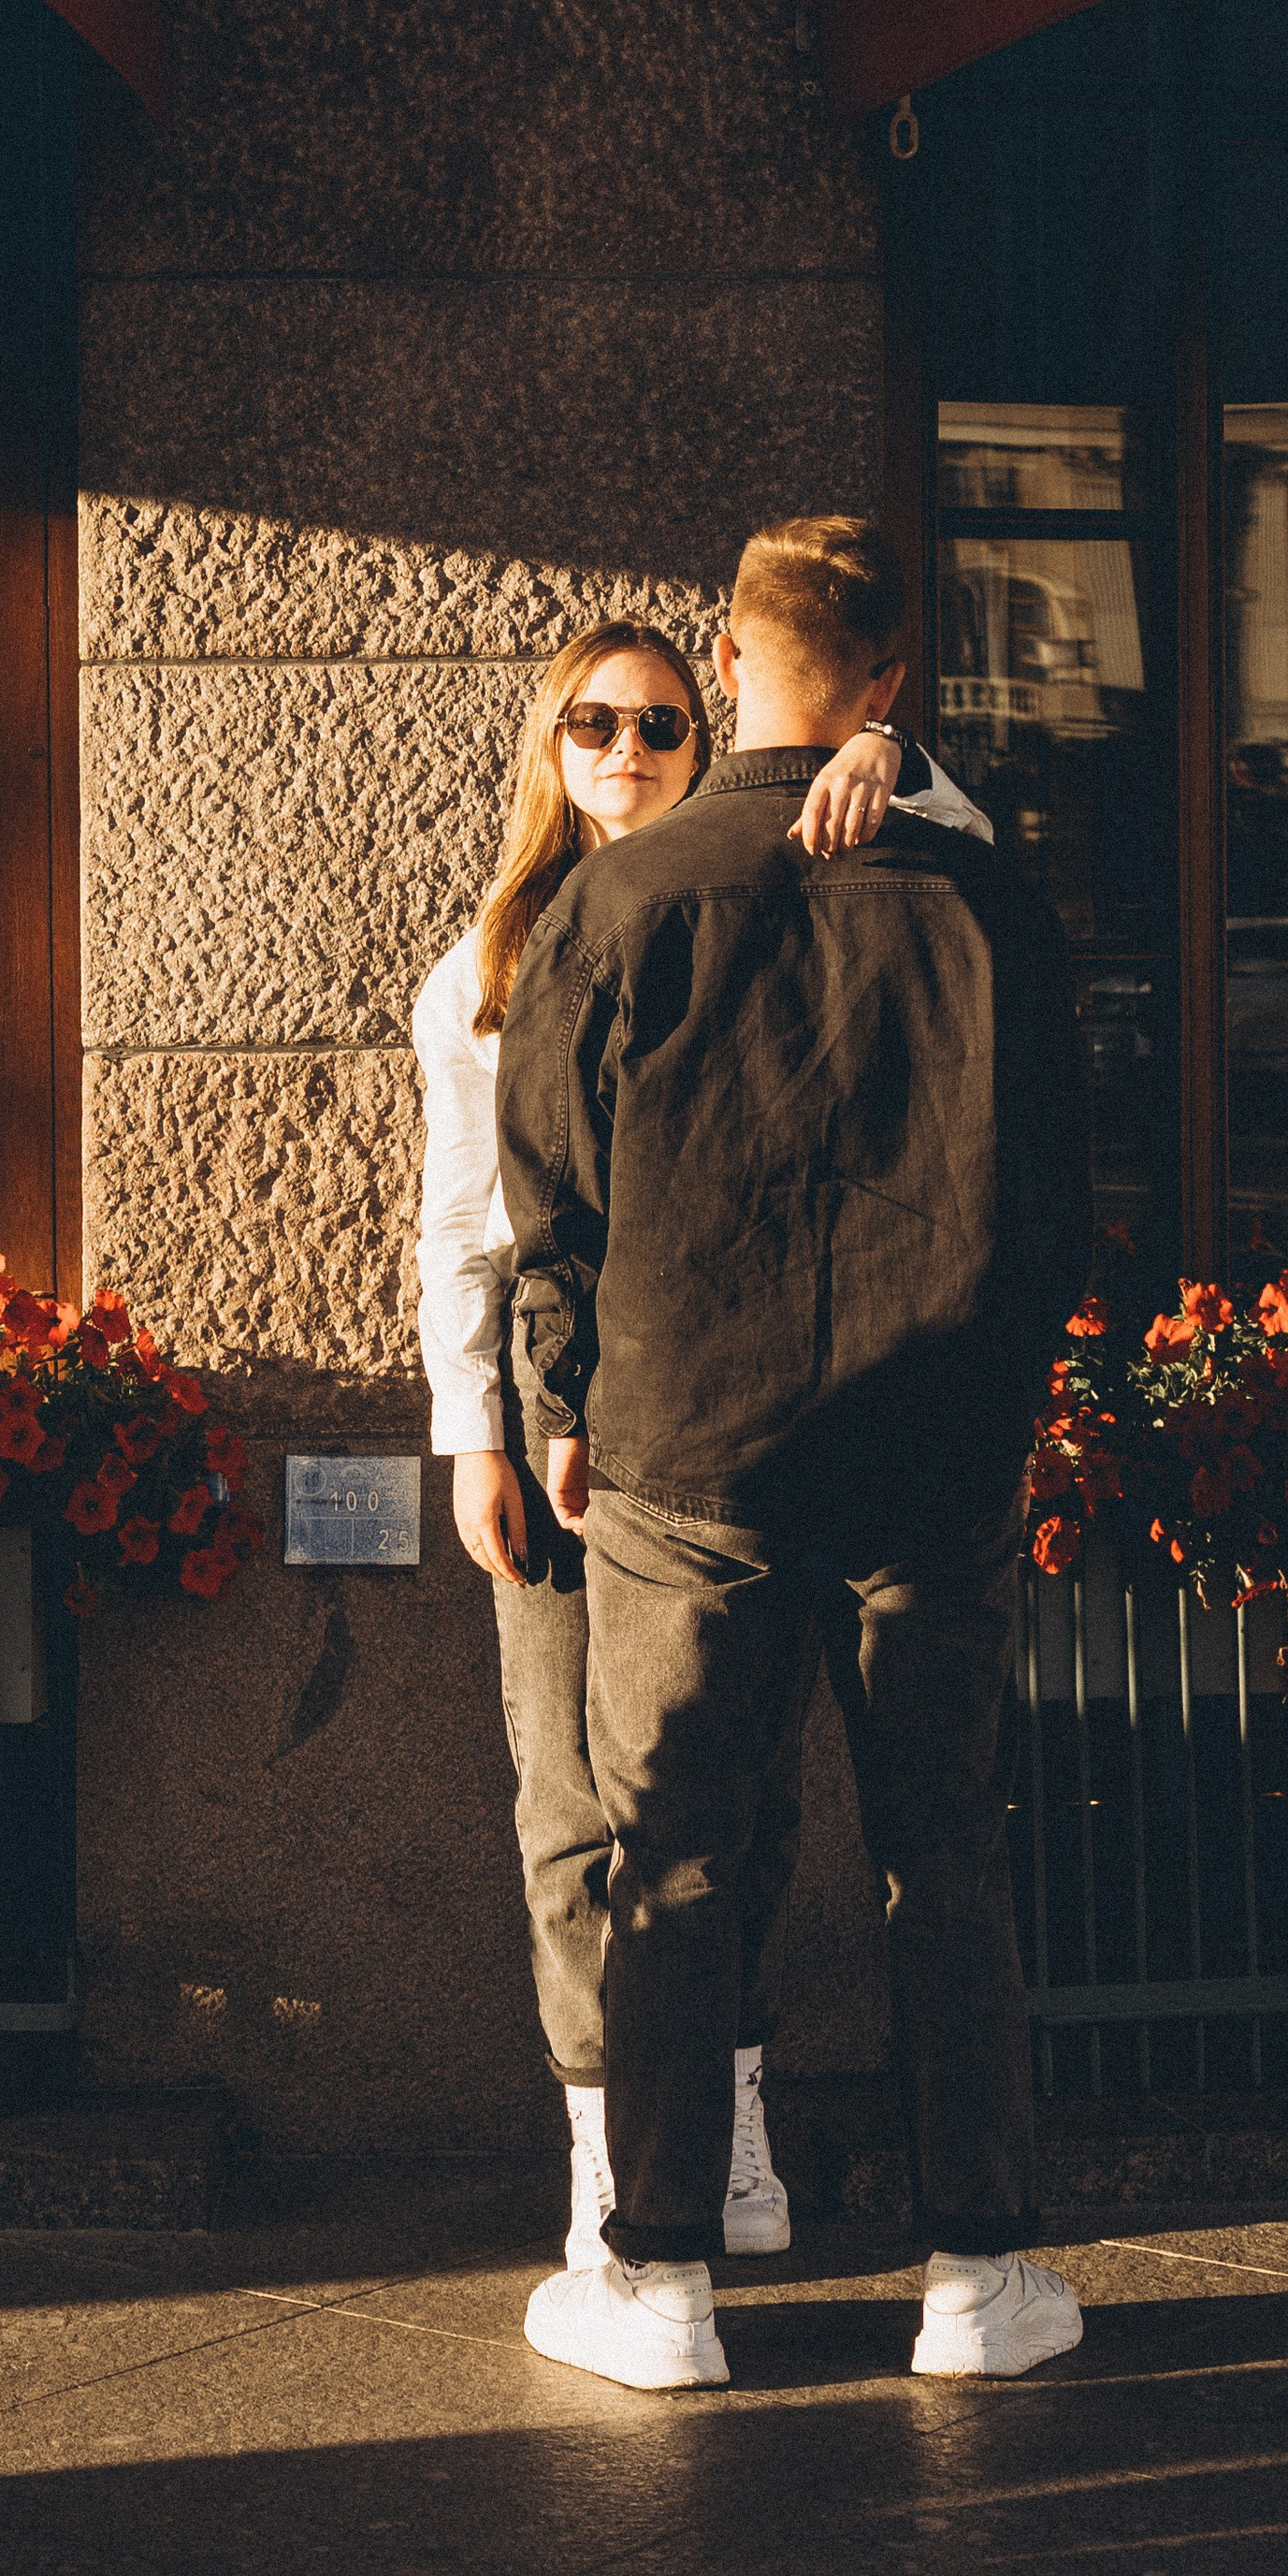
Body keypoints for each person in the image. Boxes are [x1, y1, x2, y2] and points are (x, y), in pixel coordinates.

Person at [495, 521, 1092, 2392]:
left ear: (732, 661)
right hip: (926, 1452)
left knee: (669, 1858)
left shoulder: (631, 893)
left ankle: (658, 2285)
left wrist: (560, 1401)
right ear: (892, 686)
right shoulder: (979, 901)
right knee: (943, 1855)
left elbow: (547, 1196)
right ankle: (974, 2277)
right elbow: (1064, 1201)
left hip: (691, 1457)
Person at [413, 613, 991, 2274]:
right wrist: (481, 1437)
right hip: (556, 1420)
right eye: (591, 723)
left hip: (730, 1422)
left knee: (737, 1795)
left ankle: (724, 2147)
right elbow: (467, 1225)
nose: (625, 752)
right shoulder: (498, 962)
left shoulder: (780, 887)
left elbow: (972, 872)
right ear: (551, 746)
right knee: (577, 1799)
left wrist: (902, 759)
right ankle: (610, 2165)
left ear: (711, 731)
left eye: (662, 724)